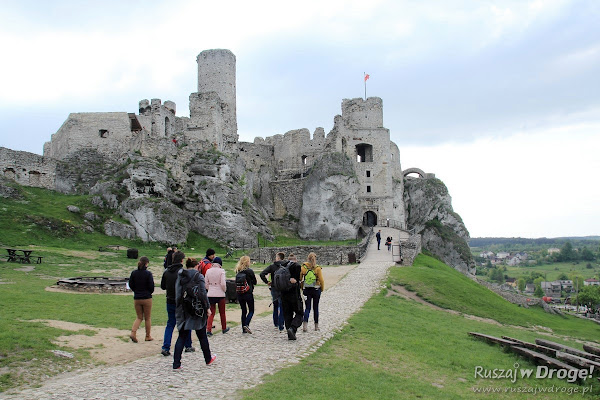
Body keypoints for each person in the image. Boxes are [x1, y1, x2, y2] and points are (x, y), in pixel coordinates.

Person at [173, 252, 216, 369]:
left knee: (182, 336)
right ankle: (208, 359)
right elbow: (202, 293)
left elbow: (177, 293)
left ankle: (176, 363)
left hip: (183, 308)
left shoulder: (180, 276)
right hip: (196, 309)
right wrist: (207, 308)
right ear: (197, 266)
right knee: (202, 336)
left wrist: (178, 307)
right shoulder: (198, 276)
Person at [160, 252, 194, 356]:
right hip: (181, 301)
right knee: (185, 323)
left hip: (169, 300)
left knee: (170, 323)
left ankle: (166, 347)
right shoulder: (183, 272)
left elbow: (162, 286)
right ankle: (187, 345)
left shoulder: (166, 272)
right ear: (182, 260)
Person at [129, 256, 154, 343]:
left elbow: (131, 284)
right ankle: (147, 335)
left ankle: (133, 332)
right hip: (147, 297)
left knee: (139, 317)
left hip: (137, 297)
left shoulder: (134, 273)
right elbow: (151, 286)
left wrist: (136, 291)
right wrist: (149, 292)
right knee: (147, 318)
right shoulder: (148, 274)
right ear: (146, 264)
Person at [260, 252, 287, 331]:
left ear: (278, 258)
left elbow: (262, 274)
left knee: (275, 305)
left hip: (274, 287)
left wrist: (267, 282)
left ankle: (276, 323)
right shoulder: (286, 265)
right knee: (282, 305)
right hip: (283, 288)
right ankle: (281, 324)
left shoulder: (272, 266)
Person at [205, 256, 230, 336]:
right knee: (222, 312)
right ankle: (224, 328)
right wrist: (224, 290)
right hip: (220, 293)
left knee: (211, 312)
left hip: (211, 293)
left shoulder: (208, 271)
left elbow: (206, 283)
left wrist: (210, 289)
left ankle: (208, 329)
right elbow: (223, 283)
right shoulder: (221, 271)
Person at [281, 253, 303, 340]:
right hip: (294, 294)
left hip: (283, 294)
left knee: (287, 313)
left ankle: (289, 332)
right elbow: (298, 279)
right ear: (295, 260)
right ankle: (293, 328)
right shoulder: (297, 266)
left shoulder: (282, 266)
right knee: (300, 313)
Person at [301, 252, 325, 332]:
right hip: (316, 289)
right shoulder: (317, 268)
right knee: (316, 308)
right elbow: (321, 280)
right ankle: (316, 326)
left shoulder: (304, 267)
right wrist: (322, 288)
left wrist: (302, 288)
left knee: (307, 308)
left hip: (307, 290)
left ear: (308, 258)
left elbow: (300, 279)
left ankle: (305, 325)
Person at [234, 255, 257, 334]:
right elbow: (255, 282)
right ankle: (246, 324)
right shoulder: (249, 271)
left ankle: (243, 328)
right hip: (248, 292)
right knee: (251, 310)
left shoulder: (238, 270)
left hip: (239, 293)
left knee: (243, 310)